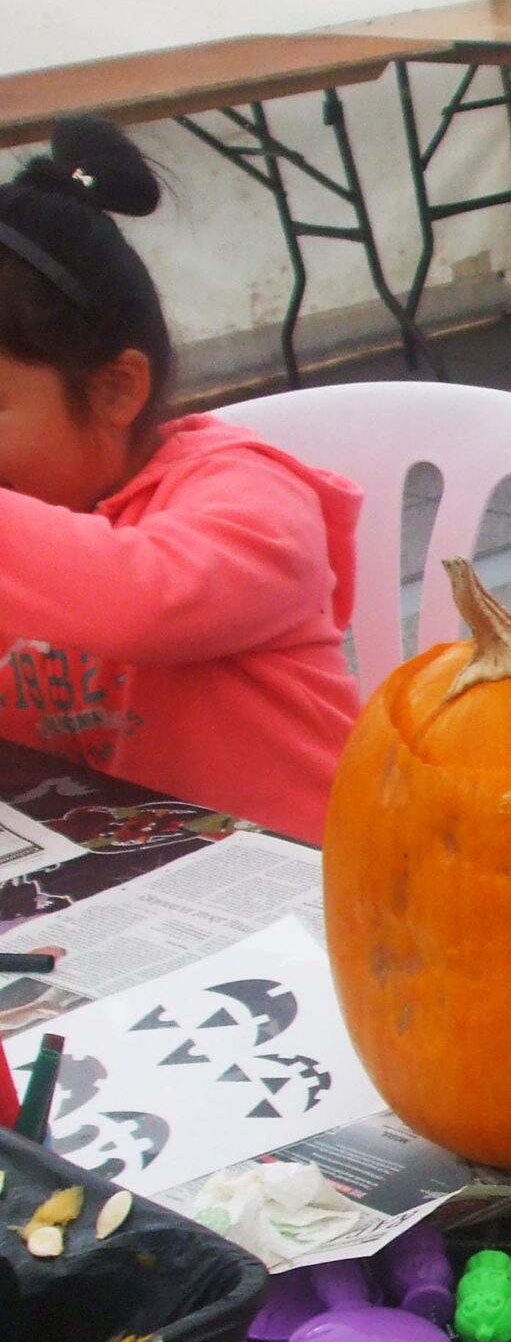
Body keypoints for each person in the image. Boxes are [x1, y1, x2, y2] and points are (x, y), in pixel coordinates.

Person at [0, 118, 362, 842]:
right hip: (109, 886)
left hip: (315, 887)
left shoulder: (249, 496)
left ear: (114, 390)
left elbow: (145, 599)